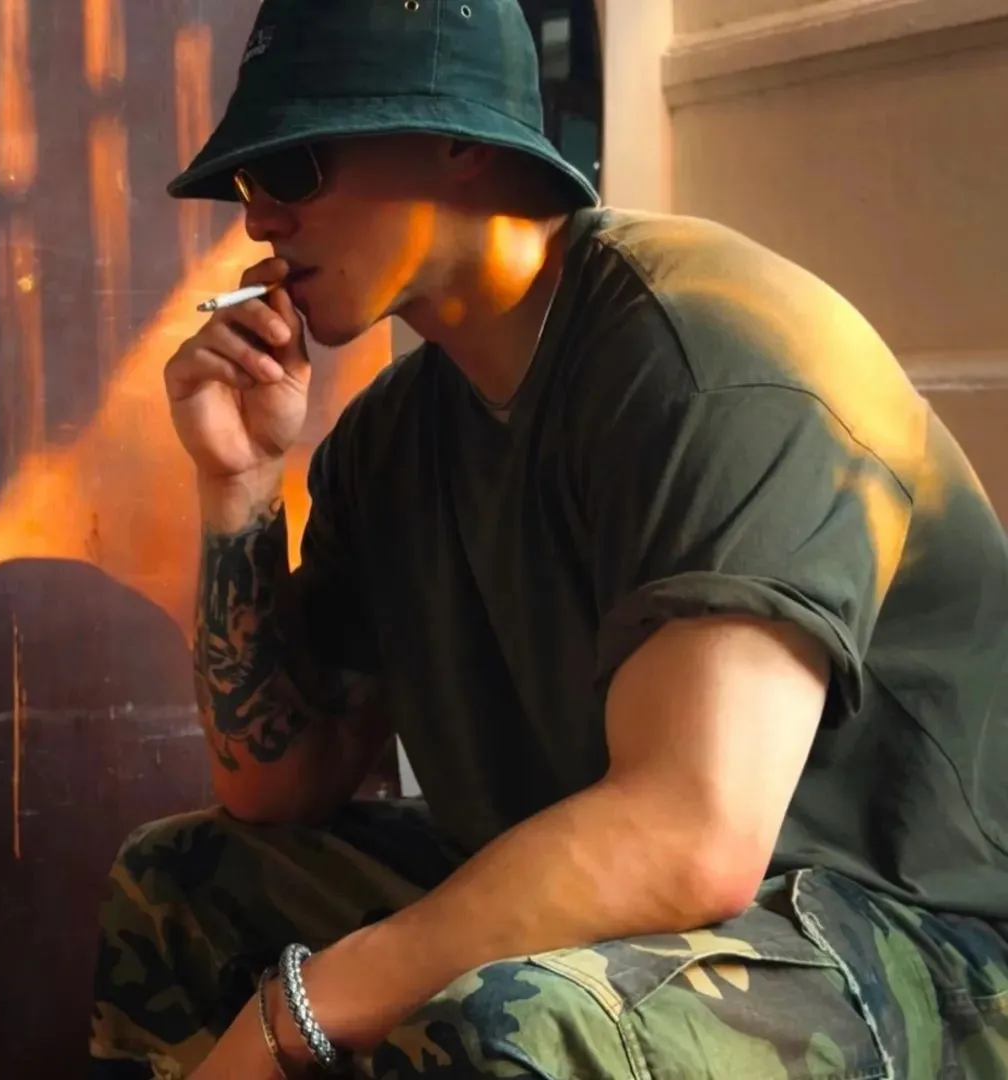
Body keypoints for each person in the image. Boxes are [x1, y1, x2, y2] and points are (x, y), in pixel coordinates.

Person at [90, 1, 1008, 1077]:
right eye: (247, 184)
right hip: (656, 916)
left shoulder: (710, 355)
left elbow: (691, 834)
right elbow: (277, 792)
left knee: (515, 1021)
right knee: (184, 884)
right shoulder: (390, 439)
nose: (259, 222)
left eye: (292, 168)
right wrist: (238, 484)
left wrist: (300, 1008)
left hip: (914, 938)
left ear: (459, 140)